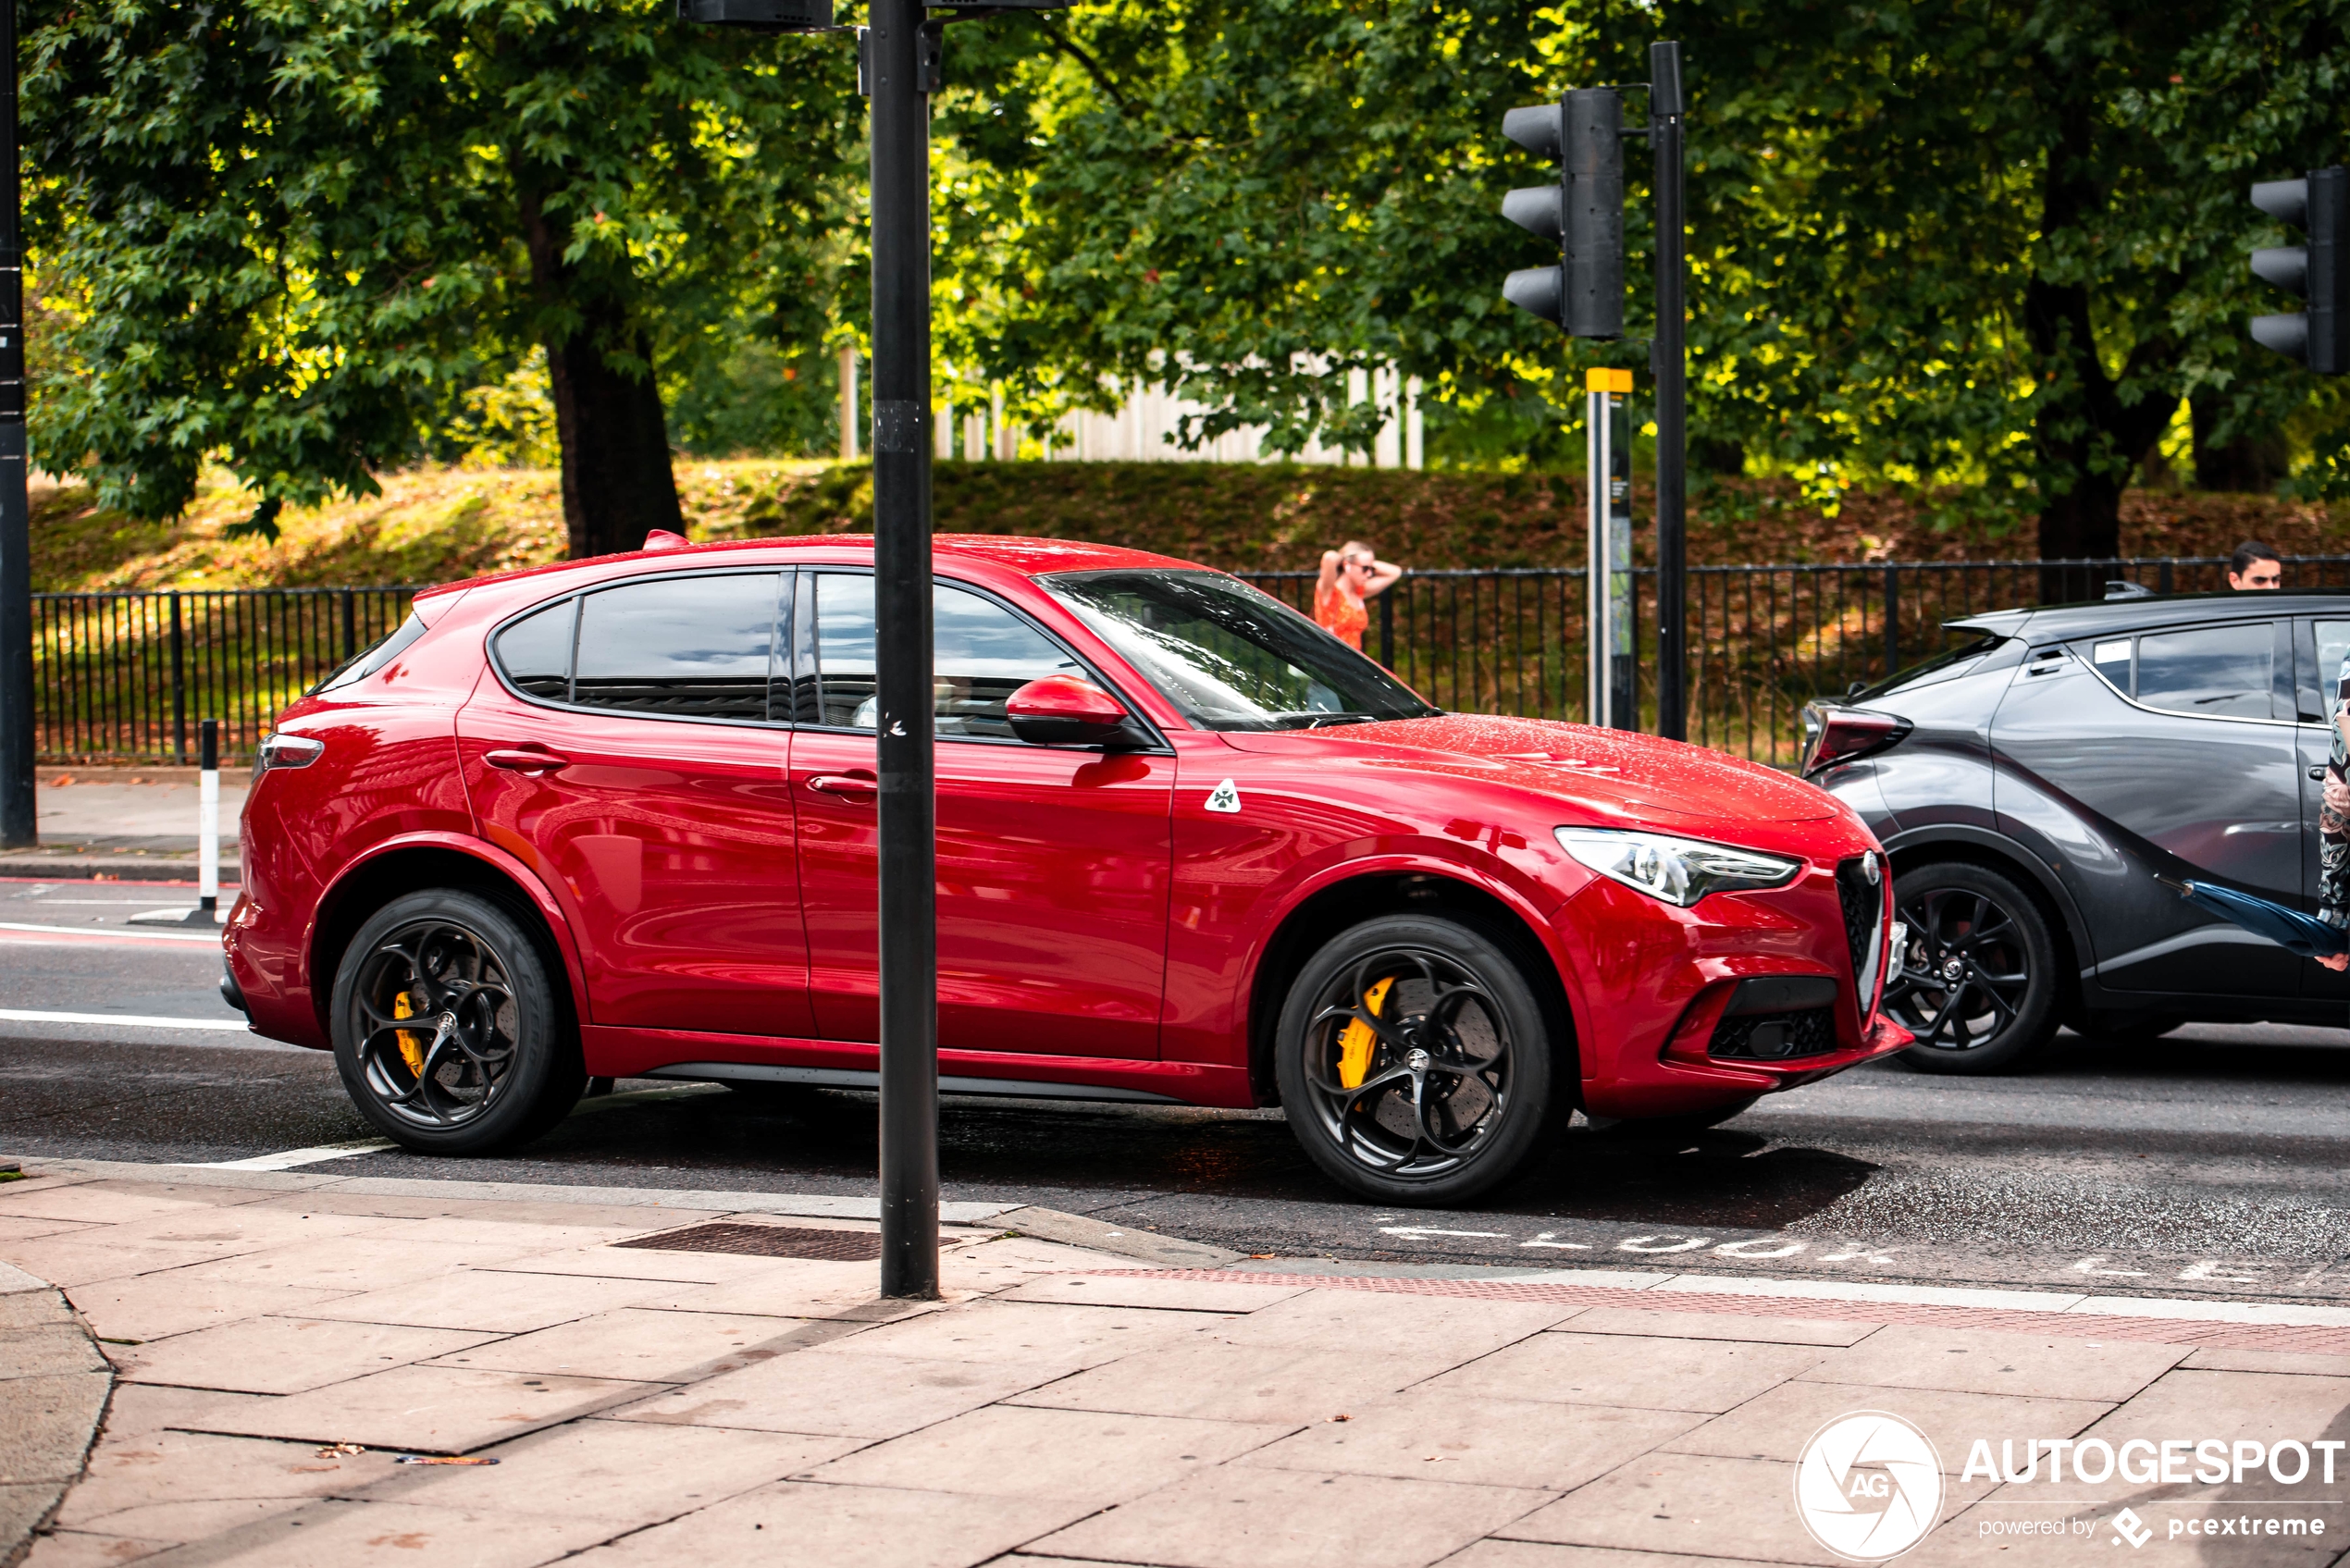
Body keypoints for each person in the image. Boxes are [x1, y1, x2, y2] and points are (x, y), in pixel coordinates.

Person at [1315, 541, 1403, 652]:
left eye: (1371, 569)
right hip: (1330, 657)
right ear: (1347, 565)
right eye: (1365, 569)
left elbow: (1395, 572)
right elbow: (1329, 558)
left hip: (1352, 662)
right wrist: (1346, 559)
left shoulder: (1358, 593)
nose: (1369, 574)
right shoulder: (1330, 591)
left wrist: (1366, 562)